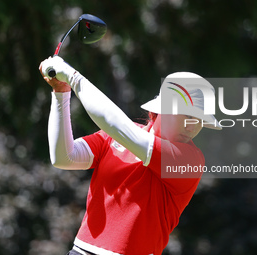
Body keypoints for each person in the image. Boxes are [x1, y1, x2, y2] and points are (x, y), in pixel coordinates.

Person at [39, 56, 221, 255]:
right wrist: (61, 93)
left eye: (200, 120)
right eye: (187, 115)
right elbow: (64, 157)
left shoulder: (190, 159)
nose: (192, 126)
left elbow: (117, 125)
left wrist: (74, 78)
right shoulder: (117, 136)